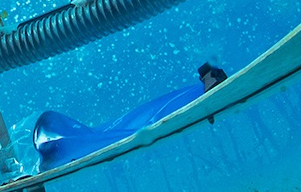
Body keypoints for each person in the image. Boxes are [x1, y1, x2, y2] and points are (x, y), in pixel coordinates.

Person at [25, 62, 229, 171]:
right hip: (51, 139)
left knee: (127, 125)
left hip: (51, 137)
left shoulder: (46, 148)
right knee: (131, 125)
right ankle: (202, 88)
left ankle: (201, 88)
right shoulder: (53, 148)